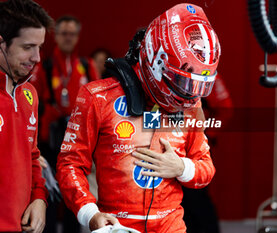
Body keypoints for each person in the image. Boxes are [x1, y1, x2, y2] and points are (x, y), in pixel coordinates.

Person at [56, 3, 221, 232]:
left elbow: (206, 168)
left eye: (197, 85)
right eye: (184, 81)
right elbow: (69, 164)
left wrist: (181, 167)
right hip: (116, 226)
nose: (190, 93)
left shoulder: (193, 105)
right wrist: (90, 214)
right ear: (156, 60)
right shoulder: (97, 97)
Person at [30, 15, 99, 233]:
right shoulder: (45, 66)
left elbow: (99, 104)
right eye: (63, 33)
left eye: (72, 34)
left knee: (74, 197)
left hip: (78, 145)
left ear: (77, 37)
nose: (68, 38)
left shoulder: (87, 66)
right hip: (49, 143)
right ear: (56, 36)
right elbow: (32, 102)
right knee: (49, 196)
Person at [0, 0, 53, 232]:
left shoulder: (29, 94)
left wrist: (39, 199)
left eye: (39, 47)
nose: (37, 57)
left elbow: (32, 156)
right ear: (1, 44)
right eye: (27, 47)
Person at [182, 74, 233, 233]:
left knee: (196, 196)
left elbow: (225, 108)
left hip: (194, 148)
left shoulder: (208, 75)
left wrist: (208, 134)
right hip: (167, 143)